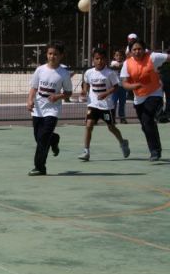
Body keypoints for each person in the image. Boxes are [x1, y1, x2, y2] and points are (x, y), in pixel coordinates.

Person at [26, 40, 72, 176]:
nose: (52, 56)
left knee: (42, 138)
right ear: (46, 54)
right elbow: (34, 87)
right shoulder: (40, 70)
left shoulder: (64, 73)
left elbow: (68, 92)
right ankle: (54, 139)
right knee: (38, 137)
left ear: (61, 55)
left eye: (56, 54)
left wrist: (57, 97)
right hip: (38, 109)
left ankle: (40, 167)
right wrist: (29, 101)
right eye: (50, 53)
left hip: (52, 110)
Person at [120, 38, 170, 161]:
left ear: (144, 49)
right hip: (139, 97)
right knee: (146, 125)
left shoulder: (153, 58)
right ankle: (156, 147)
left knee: (148, 120)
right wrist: (133, 86)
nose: (137, 52)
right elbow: (125, 83)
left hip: (155, 93)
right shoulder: (127, 64)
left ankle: (154, 151)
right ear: (130, 52)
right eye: (134, 50)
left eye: (139, 49)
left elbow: (168, 57)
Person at [78, 48, 130, 161]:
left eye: (102, 58)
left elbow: (116, 87)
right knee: (89, 125)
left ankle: (122, 142)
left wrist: (106, 93)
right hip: (93, 104)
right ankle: (86, 151)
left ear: (106, 60)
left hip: (107, 106)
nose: (99, 61)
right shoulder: (89, 72)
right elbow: (86, 83)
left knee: (111, 127)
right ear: (93, 60)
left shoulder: (110, 73)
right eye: (97, 58)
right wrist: (84, 90)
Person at [110, 50, 128, 124]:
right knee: (113, 103)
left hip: (123, 87)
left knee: (122, 103)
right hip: (115, 87)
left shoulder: (125, 63)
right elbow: (117, 65)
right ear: (114, 56)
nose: (119, 57)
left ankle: (122, 118)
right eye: (117, 55)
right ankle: (112, 118)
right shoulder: (113, 62)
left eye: (120, 55)